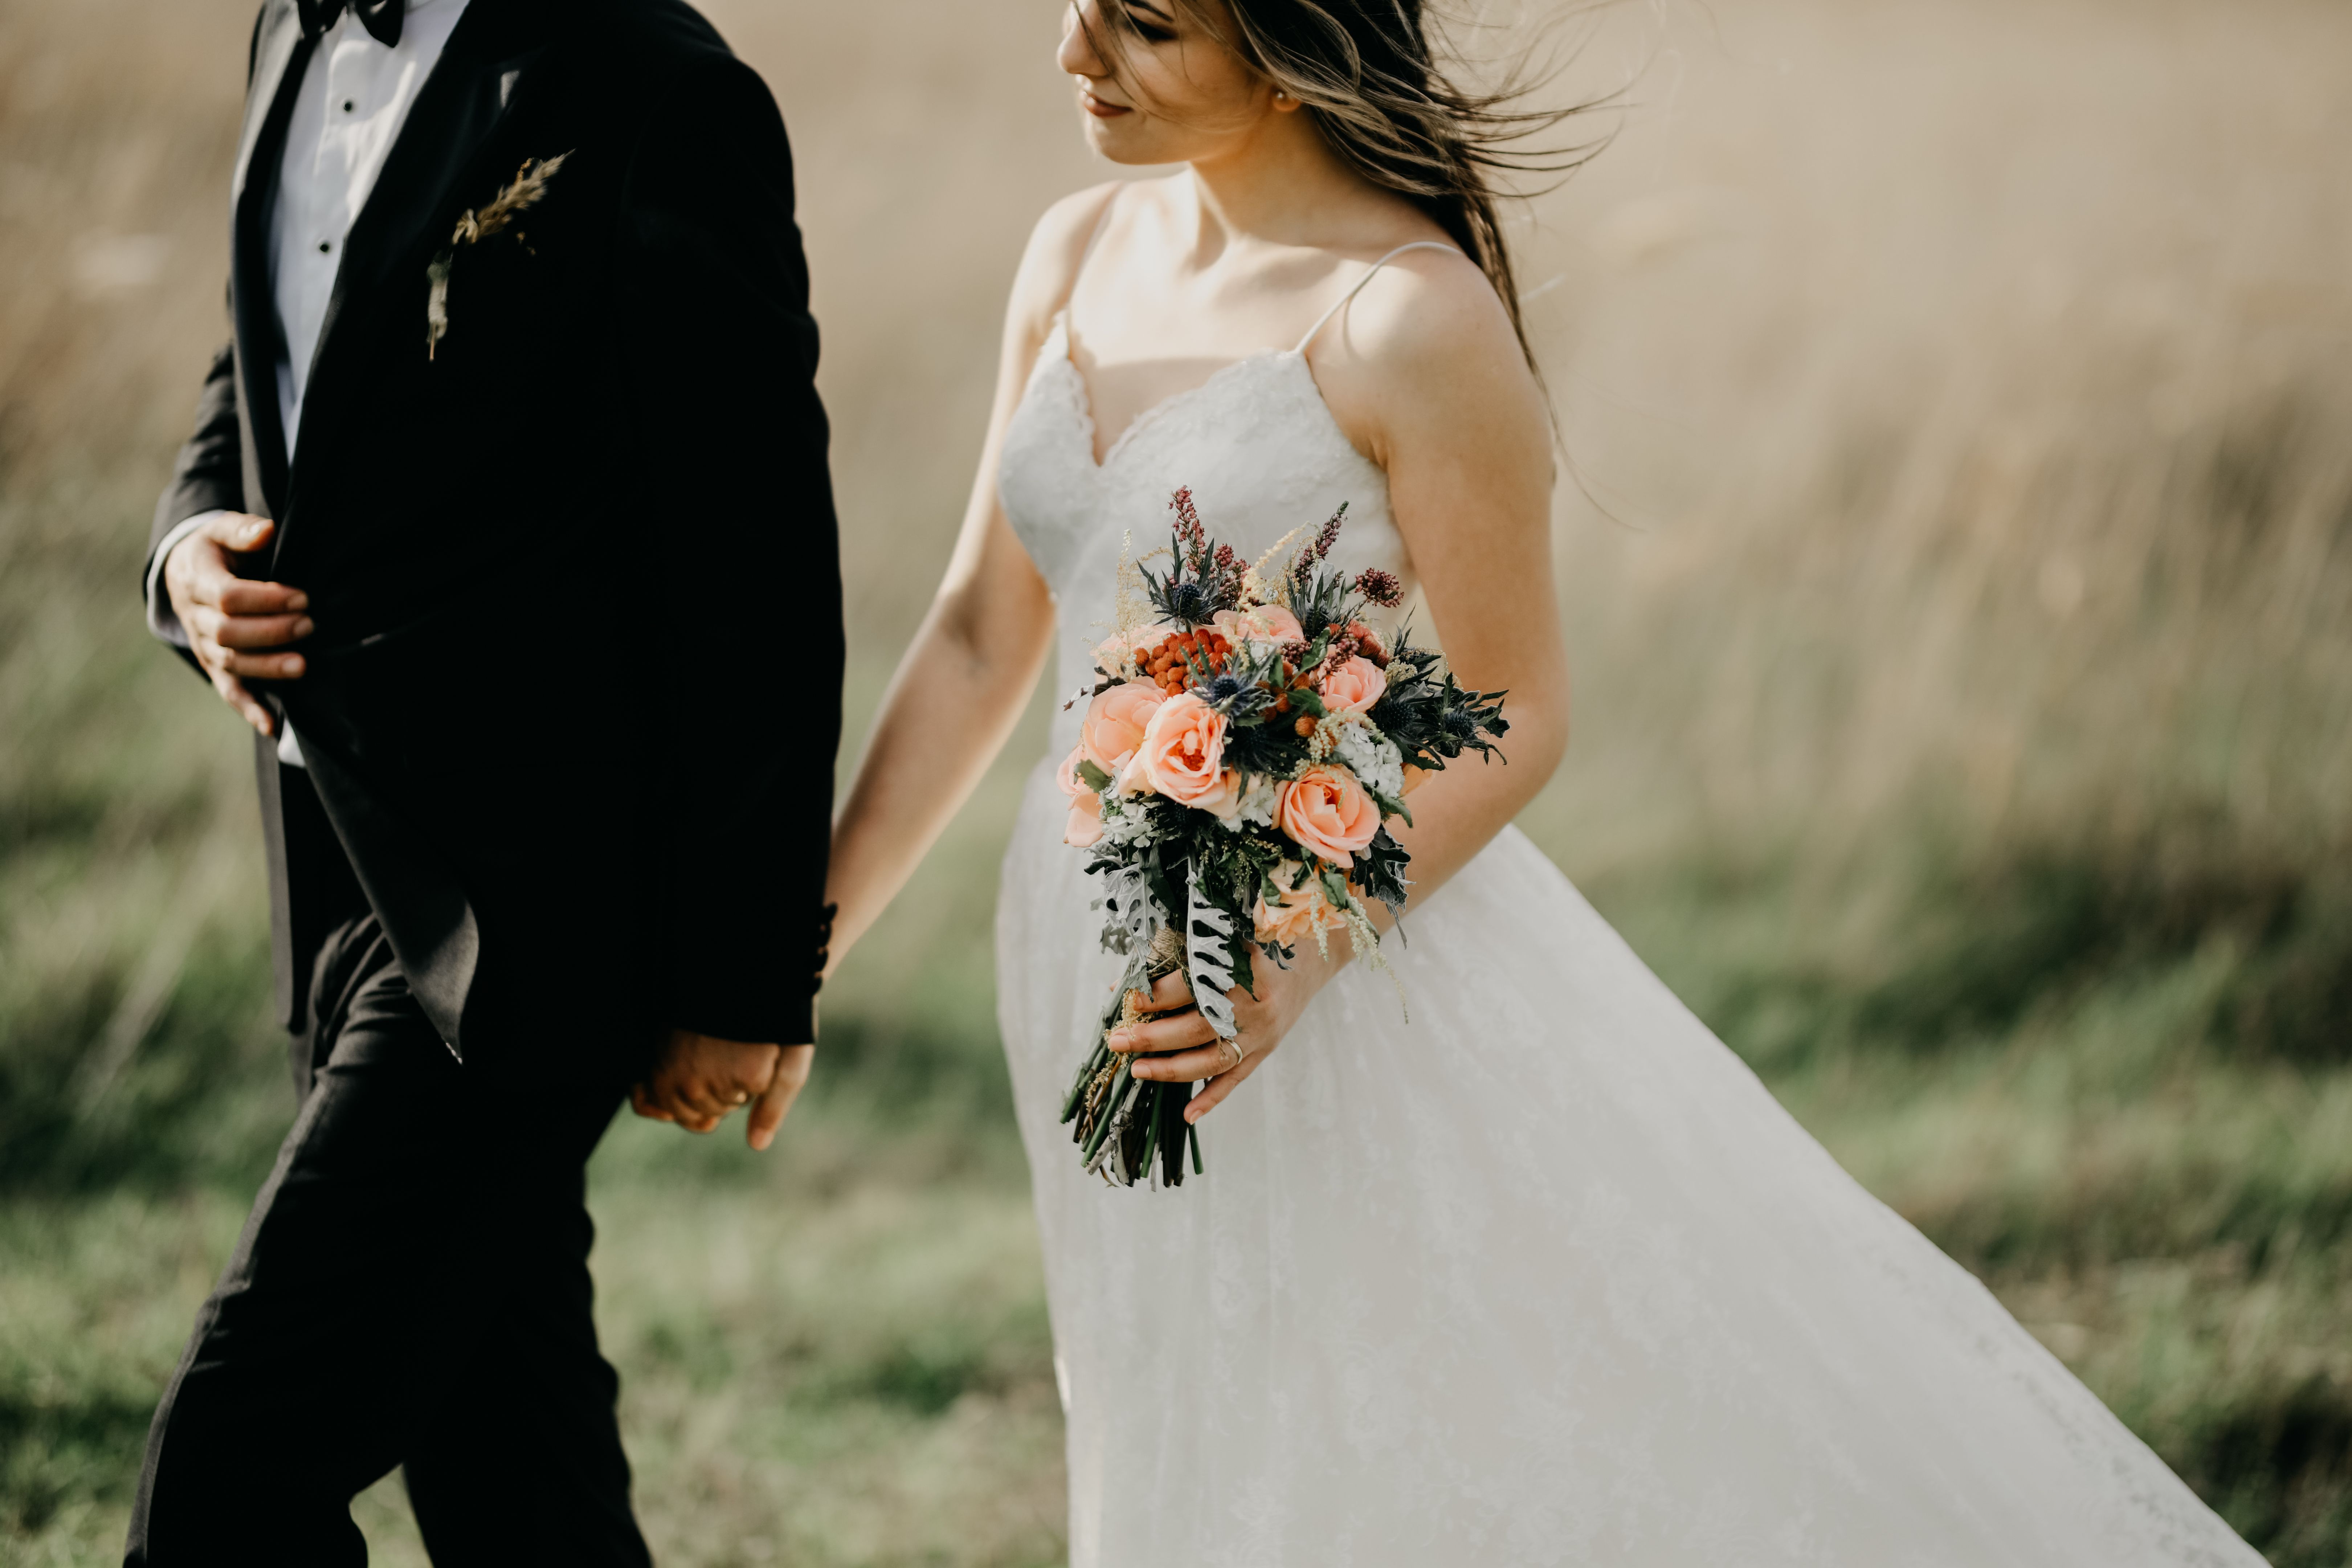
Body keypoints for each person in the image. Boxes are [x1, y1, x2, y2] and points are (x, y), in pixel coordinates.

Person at [819, 1, 2268, 1563]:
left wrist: (1292, 955)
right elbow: (980, 637)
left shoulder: (1410, 319)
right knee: (1173, 1393)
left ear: (1292, 41)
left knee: (1408, 1422)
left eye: (1148, 24)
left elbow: (1515, 708)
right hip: (1080, 940)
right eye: (1079, 5)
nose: (1075, 56)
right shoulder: (1074, 252)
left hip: (1335, 970)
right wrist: (793, 949)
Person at [128, 0, 841, 1561]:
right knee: (519, 1481)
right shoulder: (286, 38)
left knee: (228, 1482)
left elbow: (758, 555)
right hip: (327, 860)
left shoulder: (653, 85)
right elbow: (281, 347)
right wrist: (183, 549)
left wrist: (744, 970)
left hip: (528, 914)